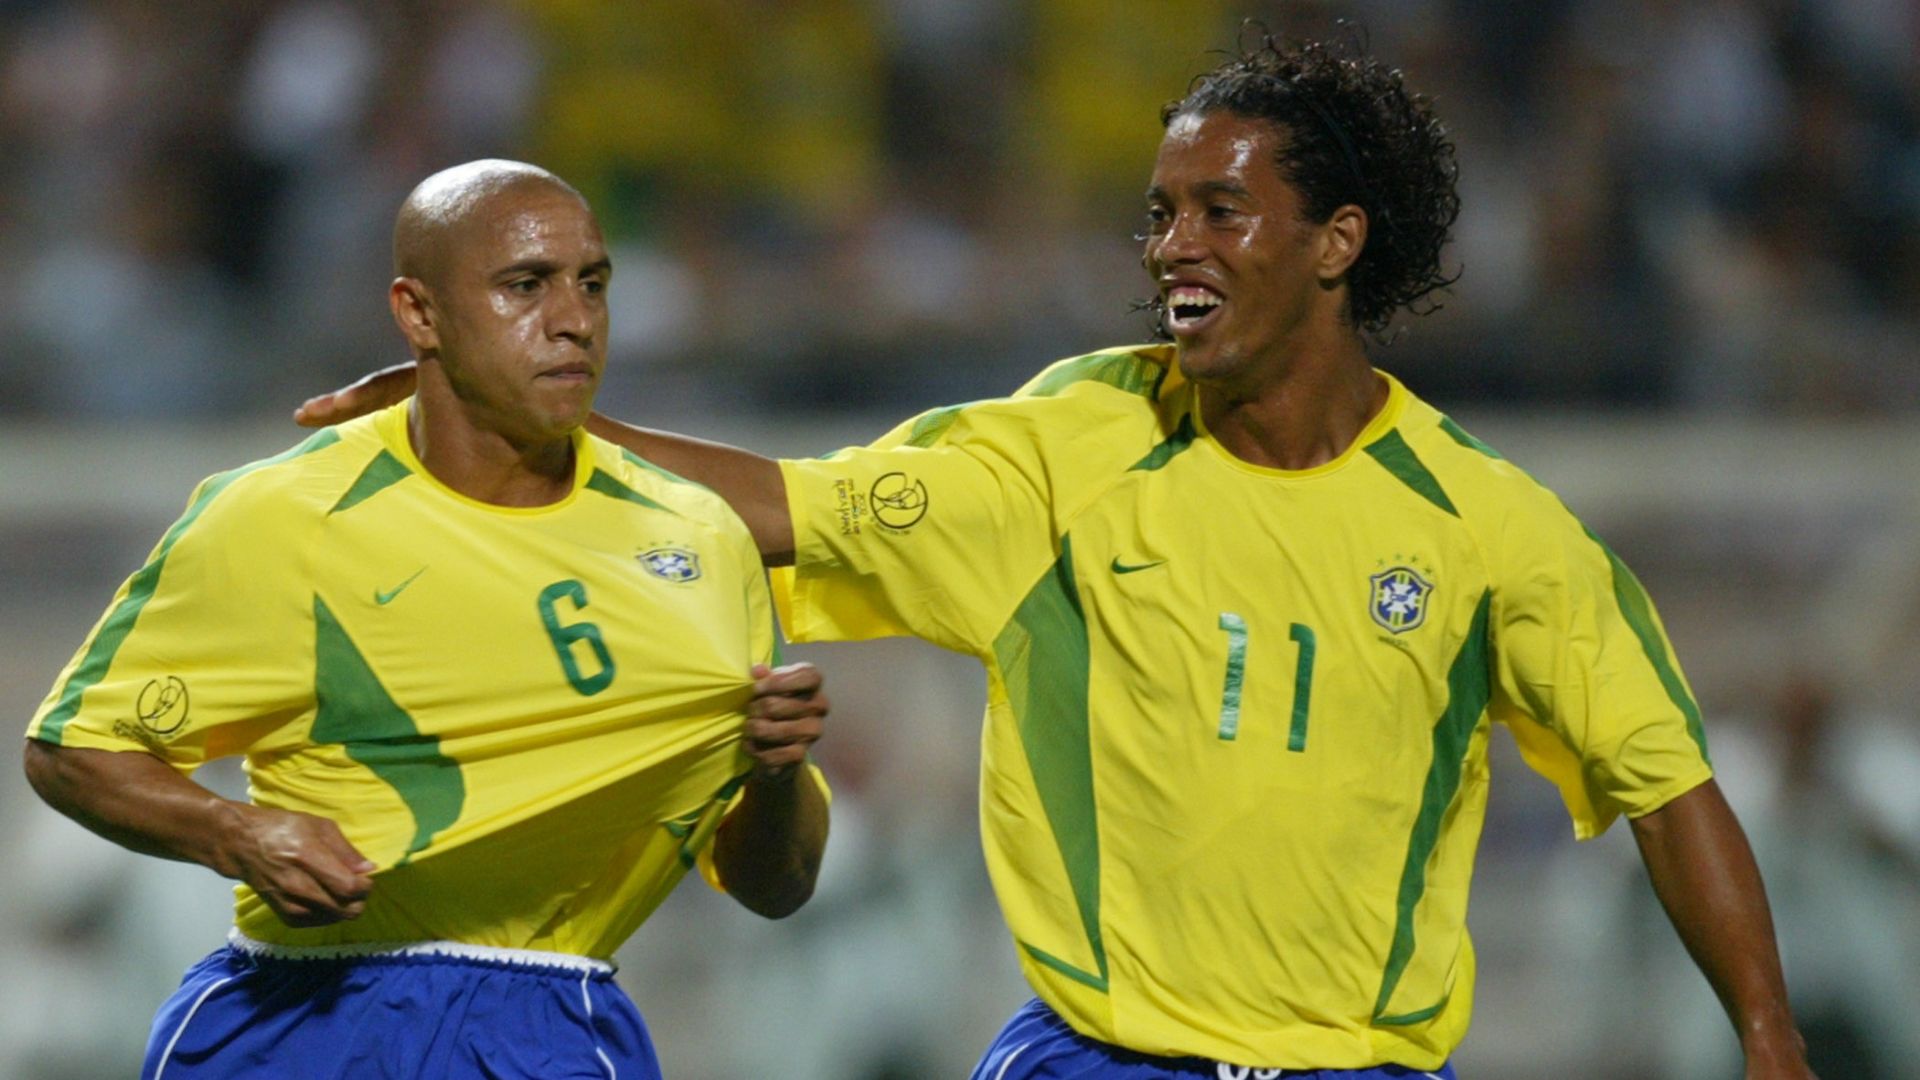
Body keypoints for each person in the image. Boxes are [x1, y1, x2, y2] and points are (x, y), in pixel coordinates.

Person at [298, 38, 1814, 1080]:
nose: (1171, 248)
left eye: (1223, 210)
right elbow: (783, 506)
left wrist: (1766, 1040)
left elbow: (1667, 786)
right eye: (1157, 216)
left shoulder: (1493, 528)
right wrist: (513, 426)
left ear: (1339, 240)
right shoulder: (1067, 450)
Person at [24, 159, 832, 1080]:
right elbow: (71, 749)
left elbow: (778, 887)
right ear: (418, 313)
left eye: (593, 284)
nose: (572, 319)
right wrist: (237, 834)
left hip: (549, 1027)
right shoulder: (288, 517)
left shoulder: (699, 537)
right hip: (297, 1015)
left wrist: (777, 774)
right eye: (525, 285)